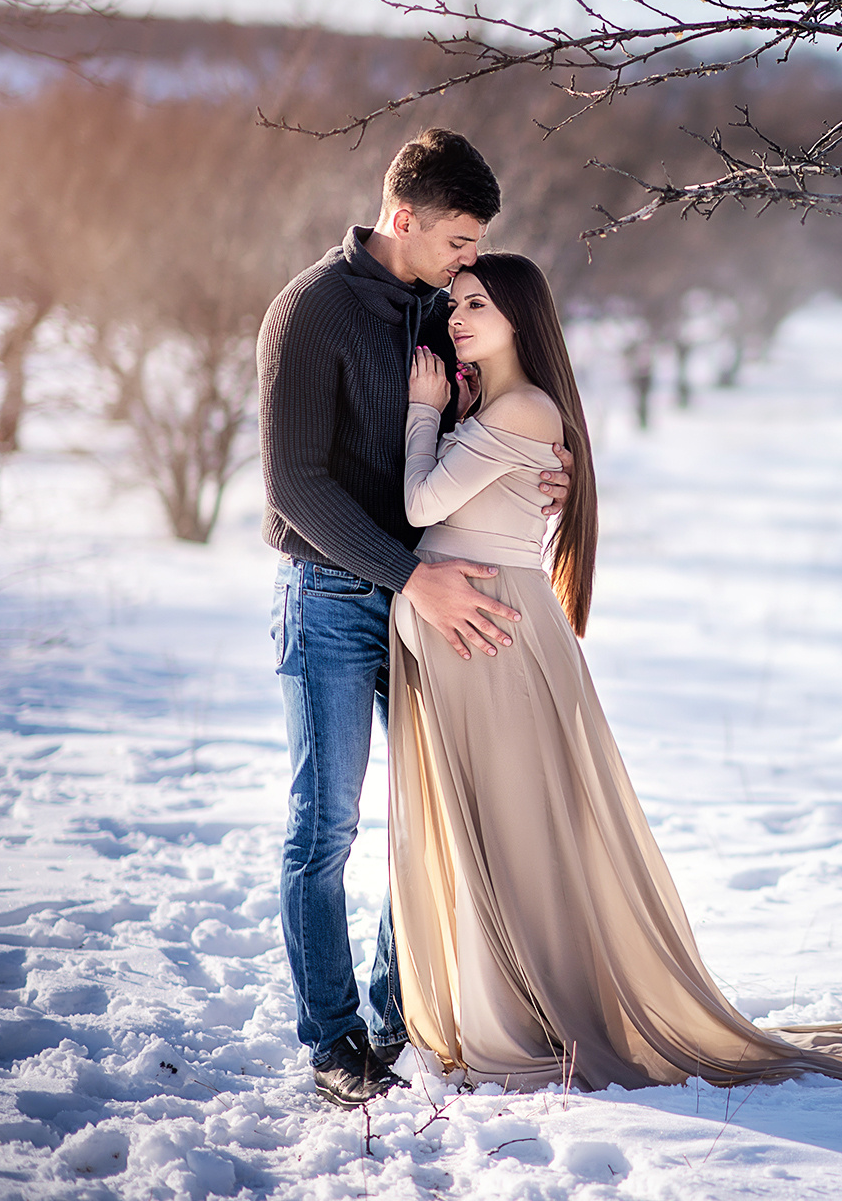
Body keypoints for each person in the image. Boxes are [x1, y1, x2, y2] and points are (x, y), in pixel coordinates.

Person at [386, 251, 842, 1090]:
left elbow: (422, 504)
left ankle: (533, 1010)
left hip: (492, 635)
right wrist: (452, 412)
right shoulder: (496, 405)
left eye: (476, 304)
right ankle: (507, 1001)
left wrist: (423, 413)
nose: (457, 318)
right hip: (464, 630)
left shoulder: (528, 406)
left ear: (520, 318)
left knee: (515, 829)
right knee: (484, 832)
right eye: (454, 304)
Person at [257, 130, 571, 1108]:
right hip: (337, 599)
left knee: (430, 820)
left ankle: (402, 1015)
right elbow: (293, 485)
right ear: (405, 219)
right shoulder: (311, 310)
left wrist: (539, 474)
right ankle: (332, 1035)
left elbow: (495, 413)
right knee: (327, 826)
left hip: (432, 590)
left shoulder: (447, 311)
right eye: (459, 240)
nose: (468, 261)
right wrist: (402, 575)